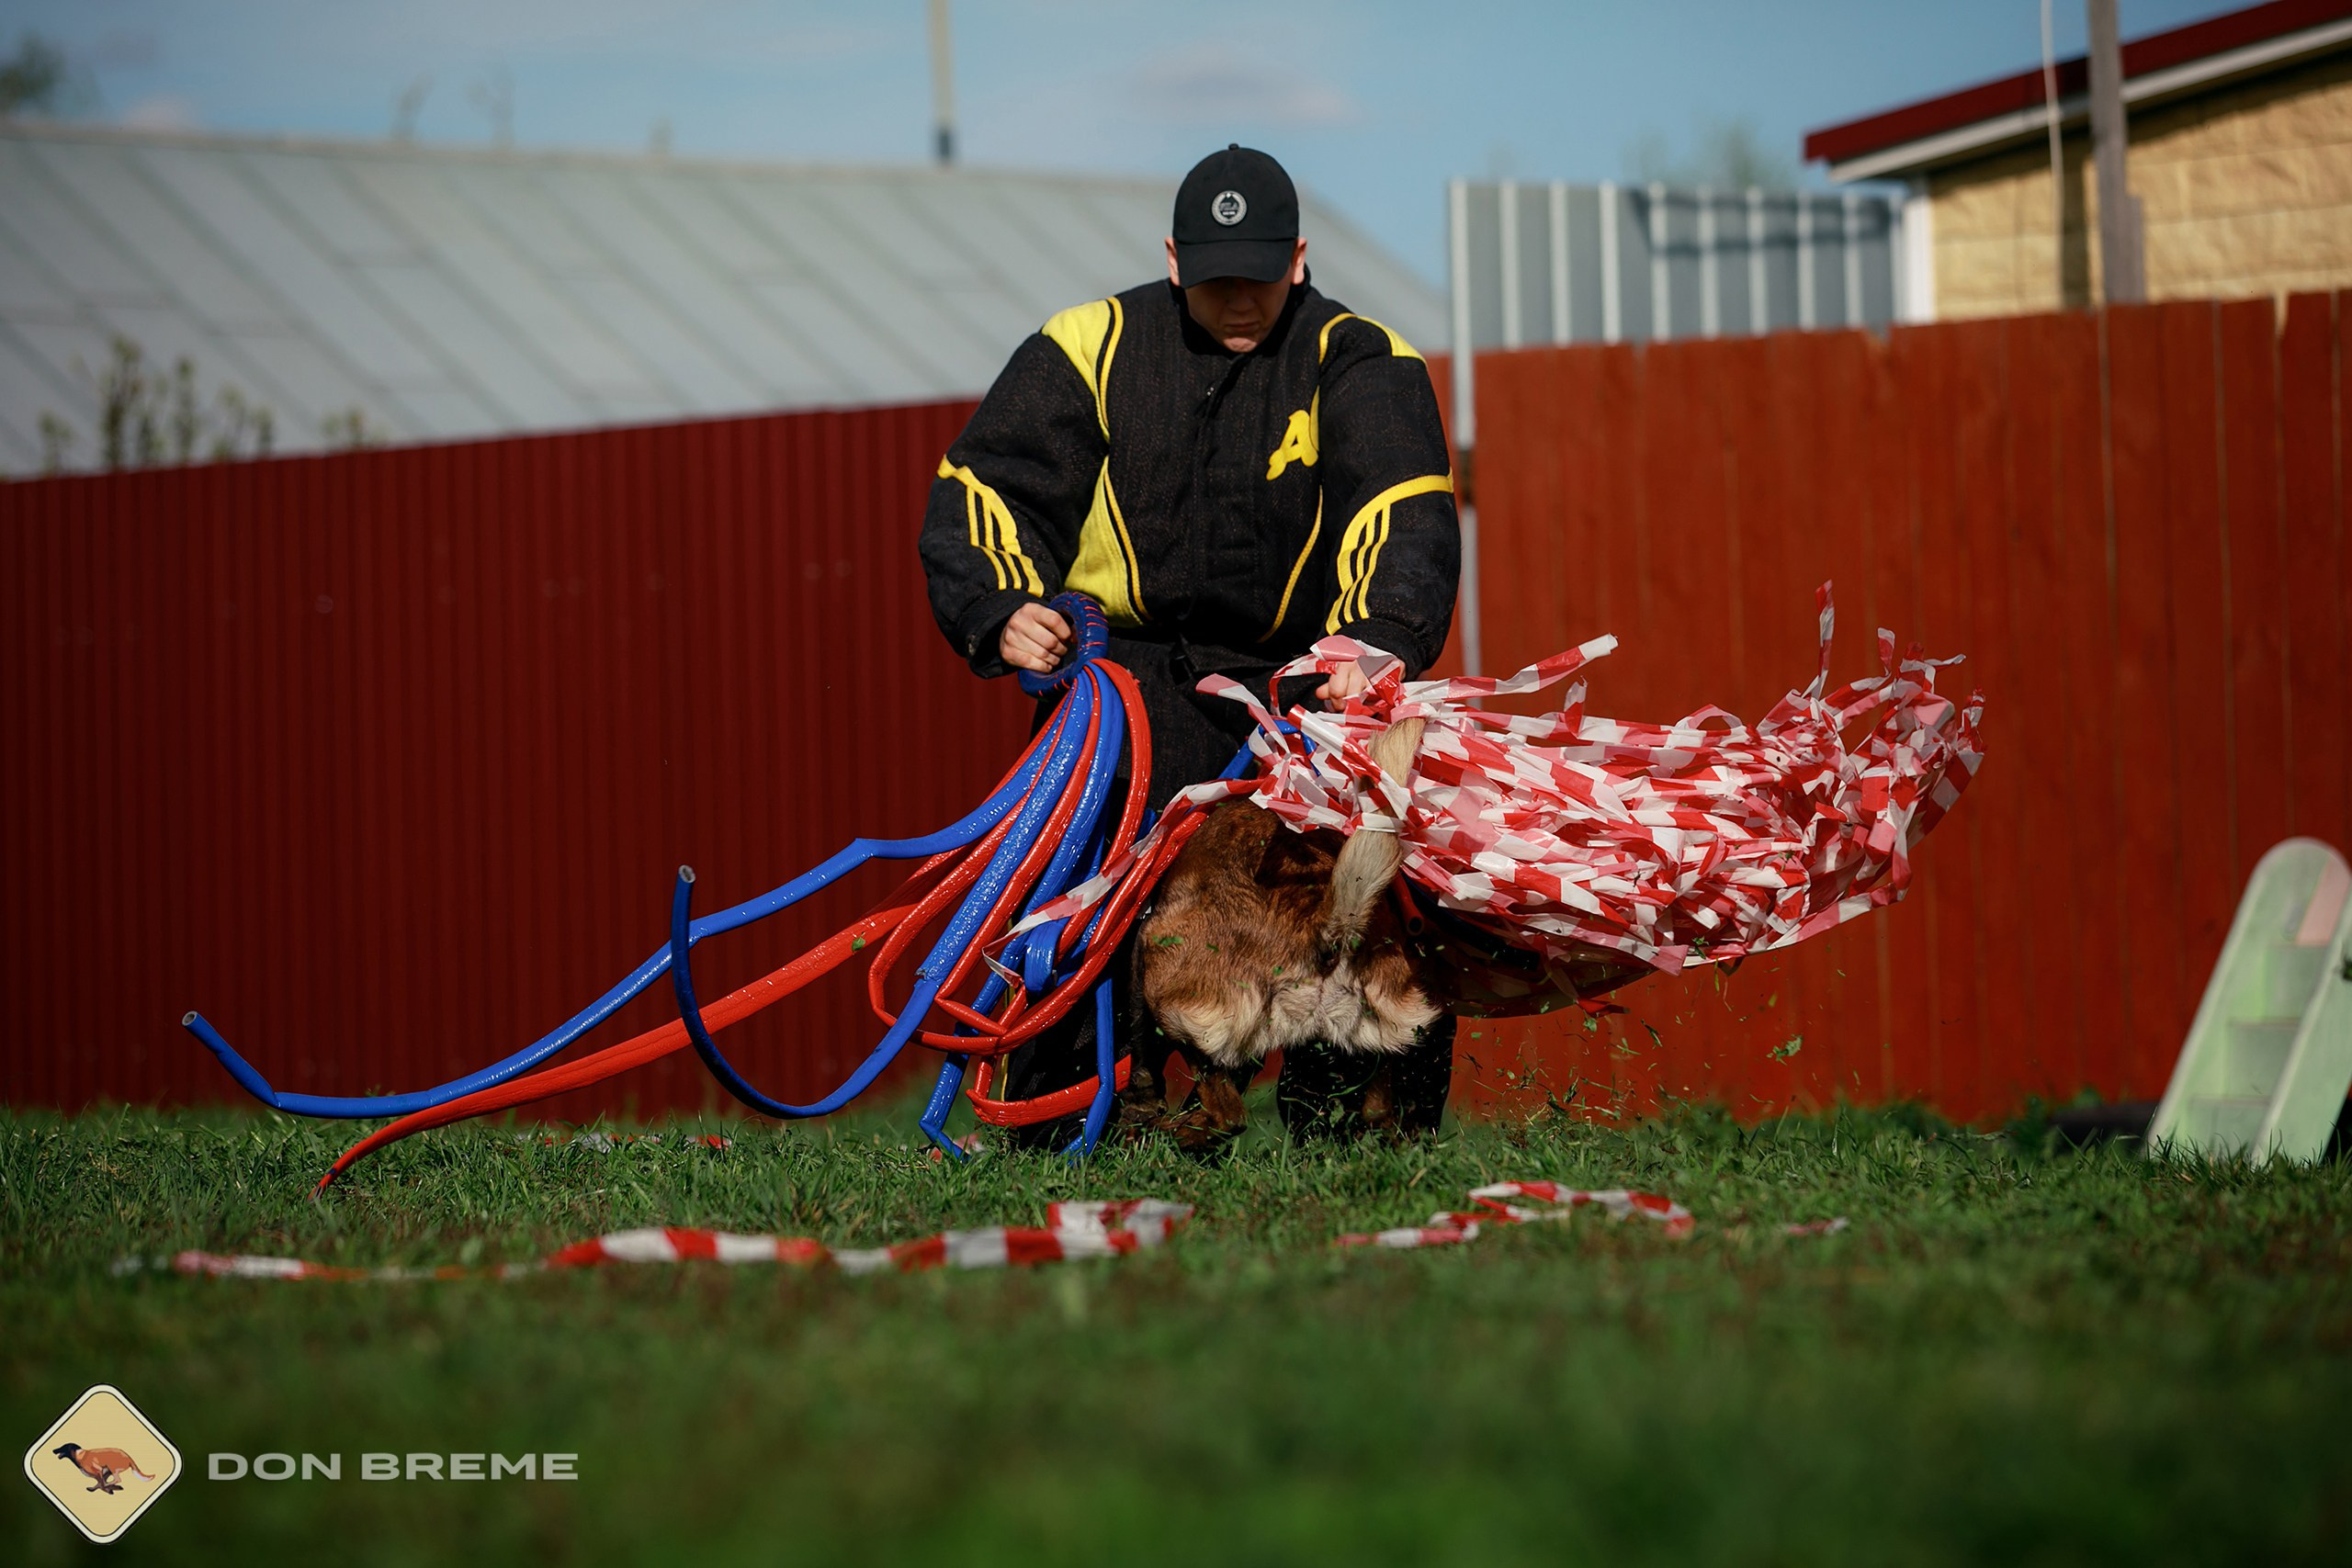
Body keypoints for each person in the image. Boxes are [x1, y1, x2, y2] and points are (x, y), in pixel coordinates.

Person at [919, 143, 1460, 1145]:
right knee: (1083, 881)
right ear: (1173, 260)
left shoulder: (1362, 359)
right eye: (1214, 281)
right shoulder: (1085, 346)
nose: (1239, 301)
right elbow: (984, 492)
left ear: (1298, 259)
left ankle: (1360, 1128)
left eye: (1259, 277)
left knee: (1363, 886)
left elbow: (1404, 506)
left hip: (1308, 674)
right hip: (1135, 675)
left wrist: (1378, 638)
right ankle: (1072, 1118)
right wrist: (999, 607)